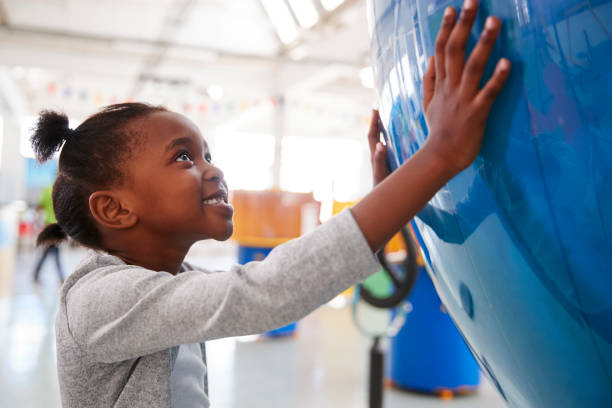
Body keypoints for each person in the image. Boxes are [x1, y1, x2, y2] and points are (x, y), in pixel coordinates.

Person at [31, 1, 510, 407]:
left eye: (208, 155)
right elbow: (264, 292)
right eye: (183, 158)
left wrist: (390, 202)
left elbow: (285, 281)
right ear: (115, 210)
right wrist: (438, 158)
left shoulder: (175, 282)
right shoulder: (97, 300)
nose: (212, 169)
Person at [32, 184, 65, 283]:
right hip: (57, 226)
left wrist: (37, 222)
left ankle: (36, 274)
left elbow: (39, 208)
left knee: (50, 252)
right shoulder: (61, 189)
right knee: (53, 252)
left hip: (48, 226)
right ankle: (60, 277)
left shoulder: (46, 190)